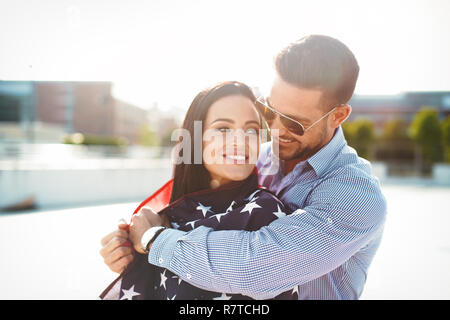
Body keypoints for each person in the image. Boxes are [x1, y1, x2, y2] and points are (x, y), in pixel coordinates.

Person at [100, 34, 387, 299]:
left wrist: (154, 241)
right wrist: (130, 247)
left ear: (338, 115)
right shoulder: (256, 158)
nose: (274, 129)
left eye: (294, 123)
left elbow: (253, 267)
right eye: (268, 111)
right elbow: (201, 200)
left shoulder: (356, 196)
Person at [100, 81, 298, 300]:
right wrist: (128, 258)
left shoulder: (265, 210)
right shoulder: (169, 215)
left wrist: (150, 239)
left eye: (251, 130)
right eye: (223, 128)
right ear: (196, 139)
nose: (240, 141)